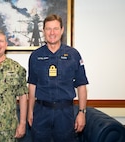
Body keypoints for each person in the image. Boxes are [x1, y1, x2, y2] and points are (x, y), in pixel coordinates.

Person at [27, 14, 89, 142]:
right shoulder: (35, 56)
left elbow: (82, 85)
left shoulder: (73, 55)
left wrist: (82, 112)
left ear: (62, 30)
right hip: (41, 112)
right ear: (43, 31)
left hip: (65, 113)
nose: (52, 32)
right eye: (48, 29)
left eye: (55, 28)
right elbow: (32, 85)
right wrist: (30, 111)